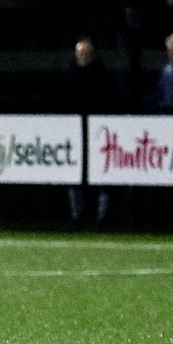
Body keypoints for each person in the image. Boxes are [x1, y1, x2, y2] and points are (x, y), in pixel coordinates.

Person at [59, 37, 125, 228]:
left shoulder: (104, 76)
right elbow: (60, 101)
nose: (83, 56)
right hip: (74, 134)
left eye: (86, 53)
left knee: (103, 174)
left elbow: (114, 101)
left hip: (99, 133)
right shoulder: (68, 76)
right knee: (74, 176)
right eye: (80, 53)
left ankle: (102, 217)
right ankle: (77, 217)